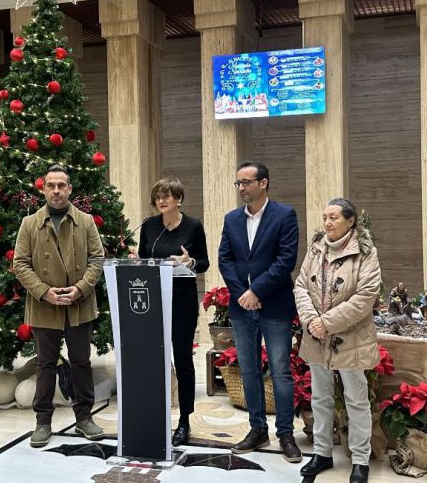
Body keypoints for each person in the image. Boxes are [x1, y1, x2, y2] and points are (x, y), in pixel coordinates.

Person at [14, 164, 105, 448]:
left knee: (81, 363)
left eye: (61, 185)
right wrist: (44, 292)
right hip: (45, 306)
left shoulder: (86, 221)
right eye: (51, 185)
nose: (56, 190)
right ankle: (42, 422)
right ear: (43, 189)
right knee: (45, 365)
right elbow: (20, 263)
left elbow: (97, 258)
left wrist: (80, 289)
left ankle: (84, 418)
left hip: (79, 305)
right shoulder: (29, 223)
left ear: (70, 189)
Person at [218, 161, 301, 463]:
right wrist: (243, 295)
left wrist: (258, 291)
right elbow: (224, 259)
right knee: (249, 369)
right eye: (238, 183)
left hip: (274, 305)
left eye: (246, 182)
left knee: (280, 371)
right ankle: (257, 430)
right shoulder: (231, 219)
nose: (241, 188)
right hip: (242, 308)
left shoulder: (284, 215)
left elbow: (286, 259)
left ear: (263, 183)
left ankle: (286, 434)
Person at [293, 198, 381, 483]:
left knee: (356, 399)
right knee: (320, 397)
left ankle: (359, 460)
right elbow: (301, 286)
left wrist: (326, 323)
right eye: (325, 218)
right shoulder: (316, 248)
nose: (328, 223)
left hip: (351, 337)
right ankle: (321, 453)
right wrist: (311, 321)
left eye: (334, 217)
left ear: (350, 220)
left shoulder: (365, 252)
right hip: (316, 337)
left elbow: (365, 297)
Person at [134, 178, 209, 446]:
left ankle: (184, 421)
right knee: (154, 358)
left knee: (182, 360)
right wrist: (136, 261)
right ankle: (154, 413)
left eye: (167, 196)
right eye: (158, 197)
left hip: (182, 301)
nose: (161, 201)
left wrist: (190, 261)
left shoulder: (193, 226)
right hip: (154, 300)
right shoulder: (149, 225)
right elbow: (144, 257)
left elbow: (204, 263)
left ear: (178, 198)